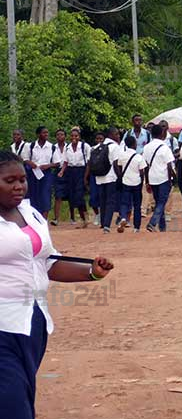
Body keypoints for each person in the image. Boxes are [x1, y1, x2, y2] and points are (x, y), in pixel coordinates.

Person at [0, 150, 114, 419]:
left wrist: (92, 273)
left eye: (22, 179)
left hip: (33, 322)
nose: (19, 186)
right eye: (9, 181)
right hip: (2, 326)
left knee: (23, 392)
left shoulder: (31, 214)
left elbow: (48, 263)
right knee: (12, 403)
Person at [143, 125, 175, 233]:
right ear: (162, 134)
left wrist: (147, 181)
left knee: (158, 203)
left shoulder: (146, 147)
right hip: (163, 178)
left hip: (152, 177)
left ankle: (162, 227)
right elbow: (169, 166)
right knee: (162, 202)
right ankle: (152, 223)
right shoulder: (165, 147)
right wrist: (170, 180)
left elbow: (146, 166)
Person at [92, 127, 121, 234]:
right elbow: (115, 164)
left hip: (99, 177)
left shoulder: (97, 146)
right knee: (110, 201)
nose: (118, 136)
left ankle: (103, 222)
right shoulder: (114, 146)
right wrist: (120, 177)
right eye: (116, 134)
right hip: (110, 176)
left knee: (102, 200)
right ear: (111, 135)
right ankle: (107, 225)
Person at [116, 136, 147, 233]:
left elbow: (119, 168)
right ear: (135, 144)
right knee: (137, 205)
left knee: (124, 202)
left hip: (126, 182)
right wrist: (141, 182)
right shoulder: (139, 157)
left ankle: (123, 217)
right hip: (136, 182)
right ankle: (136, 227)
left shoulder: (122, 155)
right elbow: (142, 172)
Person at [61, 128, 91, 228]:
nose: (74, 138)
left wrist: (85, 177)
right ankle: (83, 219)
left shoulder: (84, 146)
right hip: (70, 172)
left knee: (79, 196)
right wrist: (62, 171)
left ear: (79, 137)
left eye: (76, 136)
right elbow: (65, 161)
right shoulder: (67, 147)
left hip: (81, 171)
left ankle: (85, 216)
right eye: (72, 136)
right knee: (72, 196)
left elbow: (88, 163)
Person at [23, 126, 54, 219]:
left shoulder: (51, 147)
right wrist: (31, 163)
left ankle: (44, 220)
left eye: (47, 133)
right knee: (34, 195)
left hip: (46, 173)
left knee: (45, 195)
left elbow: (57, 162)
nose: (46, 134)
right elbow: (25, 158)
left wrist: (48, 166)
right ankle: (35, 219)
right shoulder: (30, 146)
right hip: (33, 173)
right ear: (38, 134)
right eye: (44, 133)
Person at [49, 129, 70, 226]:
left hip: (69, 171)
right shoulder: (53, 147)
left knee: (71, 194)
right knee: (58, 195)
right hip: (57, 171)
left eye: (62, 134)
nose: (60, 136)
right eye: (58, 135)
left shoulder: (69, 147)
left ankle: (73, 217)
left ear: (65, 136)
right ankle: (56, 218)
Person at [87, 132, 104, 226]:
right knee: (93, 197)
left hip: (103, 175)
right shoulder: (92, 149)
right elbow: (89, 164)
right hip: (93, 175)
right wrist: (86, 177)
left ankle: (102, 215)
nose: (99, 140)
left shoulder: (106, 149)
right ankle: (97, 214)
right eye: (97, 138)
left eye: (101, 139)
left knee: (102, 196)